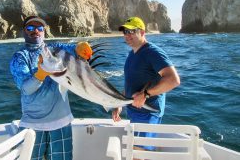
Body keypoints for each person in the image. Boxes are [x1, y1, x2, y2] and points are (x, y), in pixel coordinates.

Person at [10, 15, 92, 160]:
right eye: (30, 28)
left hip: (62, 122)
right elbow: (25, 89)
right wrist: (40, 74)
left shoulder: (54, 49)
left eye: (39, 28)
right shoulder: (20, 57)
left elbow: (72, 48)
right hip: (32, 124)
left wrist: (79, 47)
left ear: (44, 32)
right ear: (24, 32)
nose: (35, 31)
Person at [112, 16, 180, 151]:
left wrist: (146, 94)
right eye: (125, 32)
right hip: (133, 111)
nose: (127, 35)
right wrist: (119, 104)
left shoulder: (152, 52)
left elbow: (173, 80)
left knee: (139, 155)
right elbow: (130, 84)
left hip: (148, 113)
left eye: (132, 31)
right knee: (136, 152)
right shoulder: (131, 55)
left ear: (142, 32)